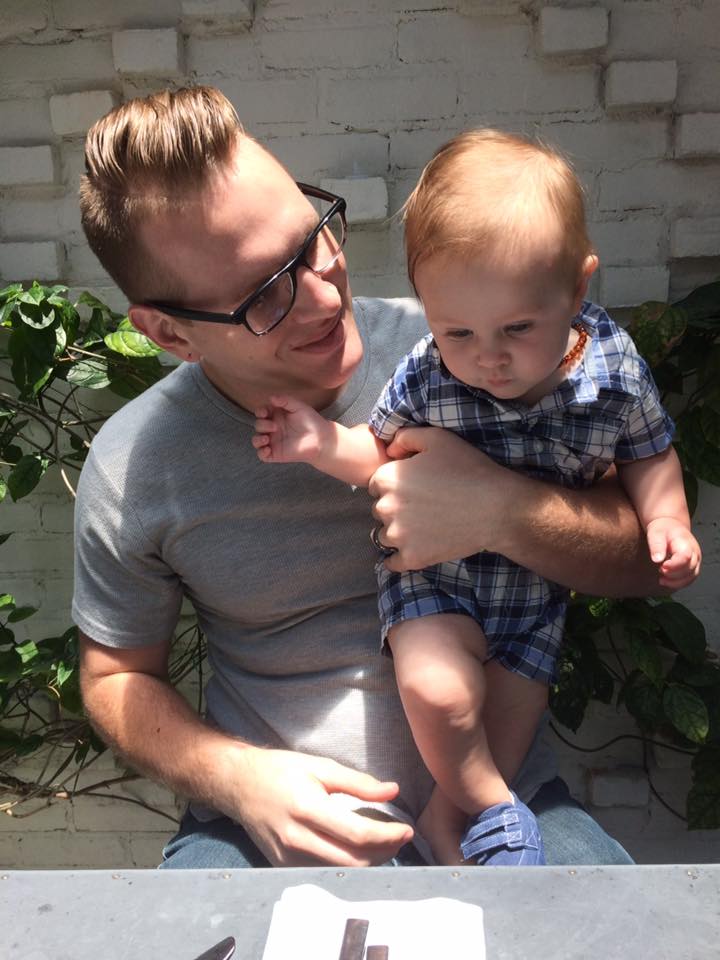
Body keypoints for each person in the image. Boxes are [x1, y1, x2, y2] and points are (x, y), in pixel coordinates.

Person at [75, 85, 661, 870]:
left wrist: (502, 512)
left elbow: (650, 556)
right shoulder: (134, 463)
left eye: (312, 238)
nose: (324, 295)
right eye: (263, 295)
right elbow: (115, 677)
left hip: (508, 807)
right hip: (257, 838)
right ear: (170, 333)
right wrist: (238, 779)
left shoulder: (469, 346)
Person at [251, 129, 702, 866]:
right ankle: (499, 812)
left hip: (534, 601)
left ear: (577, 288)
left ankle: (446, 823)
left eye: (517, 328)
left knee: (507, 730)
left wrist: (667, 520)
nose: (487, 356)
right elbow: (382, 454)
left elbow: (648, 450)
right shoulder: (429, 374)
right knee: (440, 695)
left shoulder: (614, 371)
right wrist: (320, 442)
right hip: (436, 583)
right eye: (456, 329)